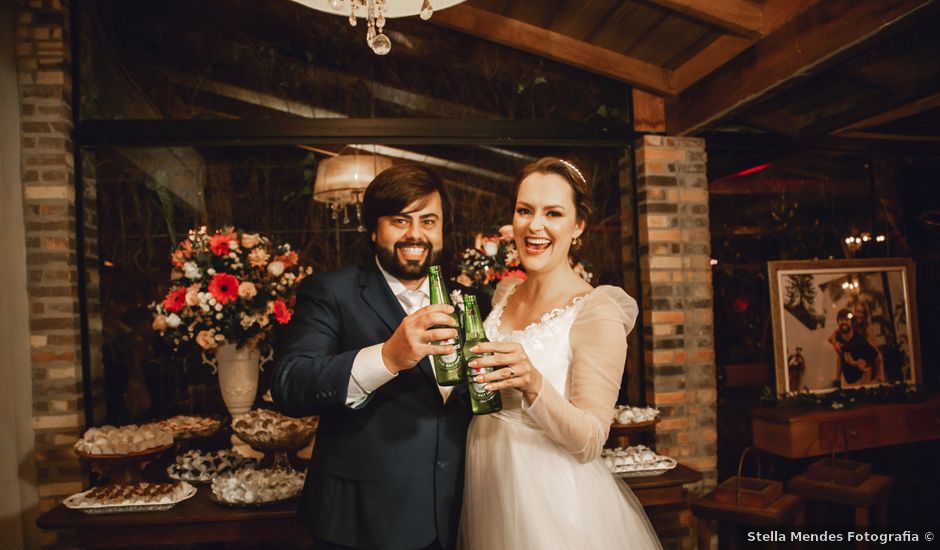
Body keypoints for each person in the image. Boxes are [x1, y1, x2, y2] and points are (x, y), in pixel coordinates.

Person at [459, 157, 662, 549]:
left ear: (578, 225)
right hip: (487, 474)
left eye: (553, 213)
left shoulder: (596, 310)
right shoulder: (504, 293)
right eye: (525, 211)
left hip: (551, 495)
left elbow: (590, 441)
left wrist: (534, 384)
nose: (535, 226)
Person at [272, 164, 472, 550]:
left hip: (454, 516)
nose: (416, 233)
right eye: (401, 220)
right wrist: (387, 358)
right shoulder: (331, 292)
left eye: (428, 220)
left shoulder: (468, 299)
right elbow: (289, 383)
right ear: (374, 229)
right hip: (362, 522)